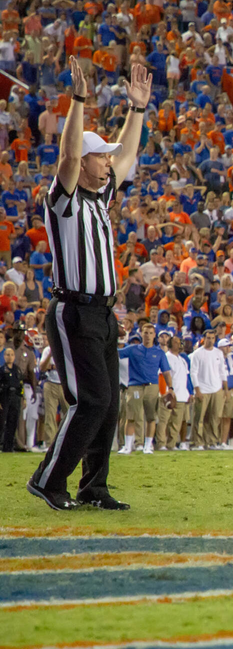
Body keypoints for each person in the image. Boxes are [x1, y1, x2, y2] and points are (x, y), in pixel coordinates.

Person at [28, 61, 150, 512]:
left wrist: (137, 110)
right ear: (85, 160)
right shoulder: (64, 201)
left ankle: (93, 486)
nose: (109, 161)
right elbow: (67, 157)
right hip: (74, 310)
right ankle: (48, 480)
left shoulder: (100, 197)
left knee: (109, 403)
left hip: (102, 311)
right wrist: (78, 101)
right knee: (92, 399)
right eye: (101, 156)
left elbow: (128, 155)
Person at [118, 321, 172, 455]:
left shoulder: (159, 353)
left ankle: (147, 446)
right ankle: (128, 446)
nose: (148, 335)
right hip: (135, 386)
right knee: (131, 416)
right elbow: (116, 353)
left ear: (154, 335)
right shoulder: (133, 349)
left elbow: (166, 372)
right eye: (145, 332)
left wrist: (170, 388)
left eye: (150, 333)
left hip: (152, 386)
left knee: (151, 417)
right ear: (141, 334)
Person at [0, 347, 23, 452]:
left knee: (12, 422)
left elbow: (21, 384)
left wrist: (22, 398)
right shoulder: (1, 370)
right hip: (4, 397)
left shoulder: (17, 370)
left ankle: (8, 447)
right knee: (2, 422)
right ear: (4, 356)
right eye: (7, 355)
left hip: (15, 397)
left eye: (12, 355)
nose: (10, 357)